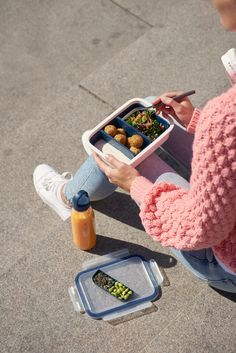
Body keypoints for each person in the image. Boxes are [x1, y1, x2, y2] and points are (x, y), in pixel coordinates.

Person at [33, 0, 236, 293]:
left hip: (221, 263)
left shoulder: (225, 118)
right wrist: (196, 120)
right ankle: (87, 181)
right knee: (147, 115)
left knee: (120, 149)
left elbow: (199, 228)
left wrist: (135, 185)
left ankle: (67, 197)